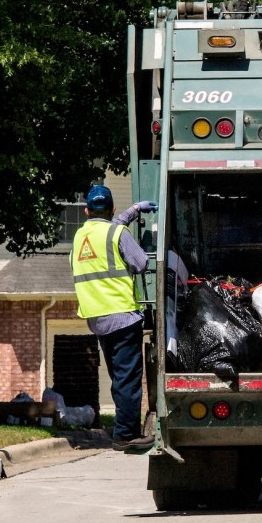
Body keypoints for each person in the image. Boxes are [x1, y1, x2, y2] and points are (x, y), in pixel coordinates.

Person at [70, 184, 157, 452]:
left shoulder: (80, 237)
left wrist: (132, 211)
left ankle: (123, 429)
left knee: (119, 377)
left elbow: (106, 229)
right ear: (112, 209)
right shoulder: (117, 232)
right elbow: (141, 263)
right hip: (122, 316)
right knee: (128, 379)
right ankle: (125, 435)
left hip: (97, 318)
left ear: (86, 211)